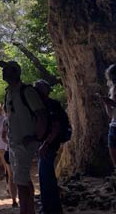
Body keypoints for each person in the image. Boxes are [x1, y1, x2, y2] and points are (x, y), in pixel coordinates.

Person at [1, 60, 47, 214]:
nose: (3, 72)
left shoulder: (27, 91)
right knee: (23, 180)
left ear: (15, 72)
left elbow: (41, 114)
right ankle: (29, 210)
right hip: (15, 144)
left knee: (20, 183)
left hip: (24, 143)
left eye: (7, 69)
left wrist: (36, 138)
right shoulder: (8, 93)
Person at [35, 80, 68, 214]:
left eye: (37, 88)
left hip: (49, 145)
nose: (35, 91)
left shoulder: (50, 105)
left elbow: (55, 127)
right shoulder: (44, 105)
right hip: (47, 144)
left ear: (44, 91)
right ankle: (50, 207)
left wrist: (46, 144)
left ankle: (50, 209)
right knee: (46, 176)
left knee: (46, 176)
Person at [100, 64, 116, 169]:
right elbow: (111, 115)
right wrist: (107, 103)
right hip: (113, 127)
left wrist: (113, 103)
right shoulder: (112, 89)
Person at [2, 120, 19, 208]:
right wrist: (9, 143)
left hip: (19, 150)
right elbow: (3, 136)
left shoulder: (21, 118)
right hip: (9, 150)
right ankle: (14, 200)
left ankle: (21, 199)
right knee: (11, 176)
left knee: (18, 175)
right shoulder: (6, 121)